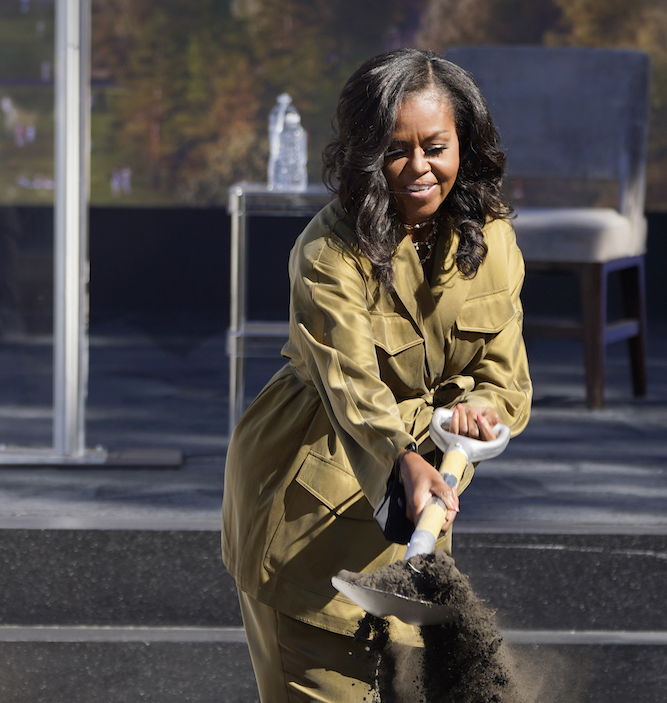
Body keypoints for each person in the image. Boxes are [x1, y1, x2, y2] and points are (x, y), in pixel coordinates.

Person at [221, 47, 532, 702]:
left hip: (415, 532)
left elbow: (501, 375)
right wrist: (403, 456)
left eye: (436, 146)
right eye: (397, 149)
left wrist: (476, 412)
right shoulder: (327, 252)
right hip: (308, 521)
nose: (419, 168)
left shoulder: (492, 240)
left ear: (464, 145)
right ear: (366, 155)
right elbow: (351, 385)